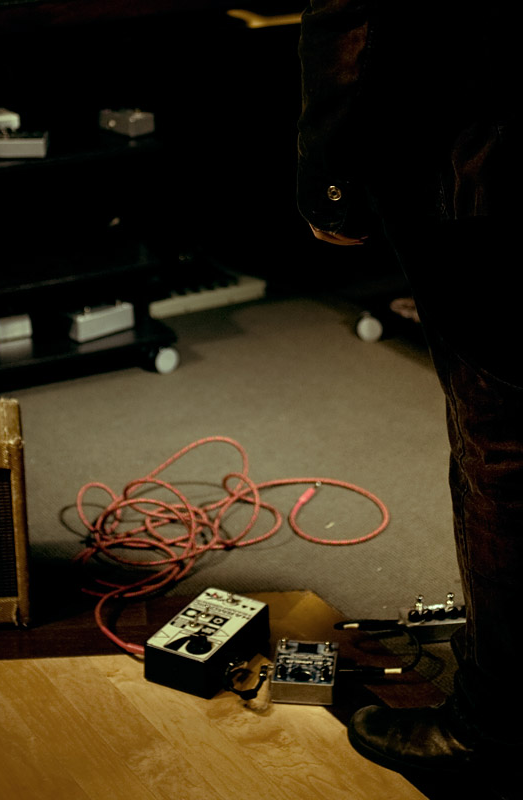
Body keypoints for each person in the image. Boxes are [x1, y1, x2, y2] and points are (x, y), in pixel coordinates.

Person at [296, 0, 520, 790]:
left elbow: (351, 7)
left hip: (481, 151)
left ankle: (494, 727)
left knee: (502, 437)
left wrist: (328, 175)